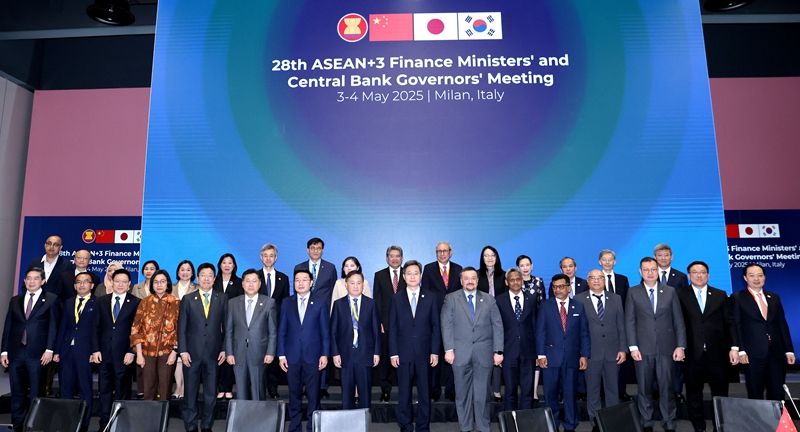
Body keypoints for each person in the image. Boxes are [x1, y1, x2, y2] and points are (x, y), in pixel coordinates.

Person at [626, 257, 686, 432]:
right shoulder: (632, 292)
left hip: (667, 348)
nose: (650, 273)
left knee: (667, 387)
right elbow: (629, 321)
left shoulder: (670, 291)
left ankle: (669, 420)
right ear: (640, 272)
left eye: (653, 269)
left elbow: (678, 321)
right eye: (646, 270)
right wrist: (633, 347)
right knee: (644, 387)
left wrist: (681, 346)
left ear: (658, 271)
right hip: (642, 349)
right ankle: (646, 420)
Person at [441, 267, 504, 432]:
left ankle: (483, 427)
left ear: (477, 280)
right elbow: (446, 325)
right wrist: (448, 349)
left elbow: (497, 325)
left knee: (482, 394)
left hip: (484, 353)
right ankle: (466, 427)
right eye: (466, 278)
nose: (470, 281)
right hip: (459, 354)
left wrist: (498, 351)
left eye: (473, 278)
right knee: (462, 395)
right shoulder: (451, 299)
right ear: (461, 281)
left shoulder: (489, 299)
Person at [677, 261, 738, 432]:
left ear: (708, 275)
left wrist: (734, 347)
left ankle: (720, 426)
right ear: (689, 275)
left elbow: (729, 323)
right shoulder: (679, 294)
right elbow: (676, 323)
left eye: (702, 272)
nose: (699, 275)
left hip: (717, 354)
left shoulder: (720, 294)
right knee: (693, 393)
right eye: (695, 272)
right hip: (691, 353)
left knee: (720, 393)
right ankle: (699, 427)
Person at [1, 267, 59, 431]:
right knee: (17, 393)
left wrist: (49, 349)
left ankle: (35, 426)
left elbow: (53, 326)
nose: (32, 281)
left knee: (36, 393)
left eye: (36, 278)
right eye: (29, 278)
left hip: (38, 354)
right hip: (16, 353)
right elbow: (8, 327)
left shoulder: (51, 299)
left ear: (43, 281)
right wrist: (4, 351)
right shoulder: (15, 300)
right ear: (24, 281)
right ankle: (18, 425)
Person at [731, 263, 795, 400]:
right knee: (755, 392)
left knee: (777, 392)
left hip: (776, 353)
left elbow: (782, 324)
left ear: (764, 277)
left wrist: (789, 350)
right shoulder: (737, 297)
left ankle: (777, 415)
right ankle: (758, 416)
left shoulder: (774, 297)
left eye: (760, 275)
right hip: (752, 354)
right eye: (752, 275)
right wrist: (741, 350)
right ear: (745, 278)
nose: (756, 279)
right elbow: (736, 325)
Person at [389, 260, 440, 432]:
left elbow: (436, 326)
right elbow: (392, 328)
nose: (412, 276)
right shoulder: (396, 298)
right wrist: (393, 353)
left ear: (421, 275)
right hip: (402, 354)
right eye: (409, 273)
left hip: (425, 354)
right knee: (404, 393)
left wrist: (435, 351)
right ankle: (405, 426)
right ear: (403, 276)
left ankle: (423, 427)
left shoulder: (431, 297)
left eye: (416, 273)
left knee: (425, 393)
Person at [536, 274, 590, 432]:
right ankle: (552, 425)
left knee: (570, 394)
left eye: (561, 286)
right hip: (550, 358)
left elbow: (584, 333)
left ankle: (570, 425)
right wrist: (541, 355)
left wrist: (584, 355)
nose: (557, 290)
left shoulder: (578, 306)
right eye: (554, 287)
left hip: (572, 358)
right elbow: (540, 332)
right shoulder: (545, 306)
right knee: (550, 395)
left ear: (569, 288)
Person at [278, 269, 330, 432]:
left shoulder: (320, 302)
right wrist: (281, 355)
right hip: (291, 356)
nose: (300, 283)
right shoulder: (287, 302)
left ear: (311, 282)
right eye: (297, 280)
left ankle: (312, 427)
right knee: (294, 394)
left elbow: (325, 332)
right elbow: (282, 330)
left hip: (313, 356)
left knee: (313, 395)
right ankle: (295, 427)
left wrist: (325, 354)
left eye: (304, 280)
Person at [178, 263, 227, 432]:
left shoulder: (222, 298)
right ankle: (190, 426)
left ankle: (207, 425)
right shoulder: (188, 299)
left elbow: (227, 326)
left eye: (210, 275)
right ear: (198, 278)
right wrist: (183, 351)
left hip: (214, 354)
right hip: (191, 354)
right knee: (190, 393)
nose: (206, 278)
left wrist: (224, 349)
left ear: (214, 279)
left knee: (211, 394)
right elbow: (182, 327)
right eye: (203, 275)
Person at [577, 269, 626, 432]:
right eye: (593, 278)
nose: (596, 281)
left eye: (600, 278)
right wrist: (582, 353)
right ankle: (595, 422)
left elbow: (621, 325)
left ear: (605, 280)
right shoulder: (579, 299)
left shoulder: (616, 298)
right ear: (588, 281)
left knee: (613, 390)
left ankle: (612, 421)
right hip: (591, 354)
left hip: (613, 352)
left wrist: (623, 349)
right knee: (592, 391)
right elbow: (577, 329)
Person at [94, 268, 140, 430]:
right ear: (112, 282)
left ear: (129, 284)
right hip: (104, 354)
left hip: (124, 355)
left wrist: (131, 351)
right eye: (117, 281)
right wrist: (95, 349)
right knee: (104, 390)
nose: (120, 284)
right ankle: (104, 424)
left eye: (124, 282)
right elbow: (95, 327)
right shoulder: (101, 301)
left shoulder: (136, 302)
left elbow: (137, 330)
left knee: (123, 391)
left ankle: (119, 425)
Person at [53, 271, 98, 430]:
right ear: (74, 285)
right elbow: (62, 327)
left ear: (92, 285)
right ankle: (67, 424)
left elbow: (97, 330)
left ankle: (83, 424)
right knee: (65, 389)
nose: (82, 284)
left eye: (86, 281)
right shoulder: (68, 302)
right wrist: (57, 351)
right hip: (66, 351)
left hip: (85, 352)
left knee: (85, 389)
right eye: (79, 282)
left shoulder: (97, 303)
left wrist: (95, 351)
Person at [225, 268, 277, 400]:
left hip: (260, 353)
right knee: (241, 391)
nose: (251, 284)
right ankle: (242, 413)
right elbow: (229, 330)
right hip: (238, 353)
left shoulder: (269, 302)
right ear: (242, 284)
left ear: (259, 284)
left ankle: (258, 413)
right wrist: (229, 352)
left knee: (257, 390)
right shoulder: (232, 303)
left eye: (254, 281)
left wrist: (270, 352)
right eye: (247, 281)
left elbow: (272, 331)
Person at [331, 271, 380, 409]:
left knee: (365, 395)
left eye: (359, 283)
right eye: (352, 283)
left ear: (363, 285)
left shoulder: (371, 303)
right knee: (347, 395)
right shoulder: (338, 304)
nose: (356, 286)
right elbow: (333, 332)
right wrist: (335, 353)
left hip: (365, 354)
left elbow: (376, 331)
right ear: (346, 285)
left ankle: (364, 420)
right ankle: (347, 420)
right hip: (345, 355)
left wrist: (377, 352)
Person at [421, 241, 461, 401]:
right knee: (434, 355)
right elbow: (425, 293)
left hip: (455, 319)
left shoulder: (458, 269)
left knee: (453, 356)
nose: (442, 254)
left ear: (450, 252)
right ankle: (434, 391)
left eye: (445, 251)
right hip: (434, 318)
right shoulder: (428, 269)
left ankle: (452, 391)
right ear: (436, 253)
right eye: (439, 251)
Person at [130, 269, 179, 401]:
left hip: (167, 352)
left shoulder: (176, 302)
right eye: (156, 282)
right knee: (148, 389)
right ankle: (148, 414)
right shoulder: (145, 302)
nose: (159, 285)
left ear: (167, 283)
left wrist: (175, 352)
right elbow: (136, 329)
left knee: (164, 389)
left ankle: (163, 414)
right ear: (152, 284)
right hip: (146, 353)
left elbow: (180, 330)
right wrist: (139, 354)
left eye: (162, 281)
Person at [496, 268, 537, 411]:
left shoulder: (531, 299)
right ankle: (510, 421)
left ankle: (525, 420)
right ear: (506, 282)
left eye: (518, 279)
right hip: (508, 351)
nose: (515, 282)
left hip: (528, 352)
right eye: (512, 280)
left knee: (528, 391)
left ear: (522, 281)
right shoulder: (499, 300)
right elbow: (497, 327)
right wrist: (498, 351)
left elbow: (535, 325)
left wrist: (538, 352)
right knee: (510, 391)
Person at [256, 243, 290, 399]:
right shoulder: (254, 276)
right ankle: (258, 389)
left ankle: (273, 389)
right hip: (257, 324)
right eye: (265, 255)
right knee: (258, 358)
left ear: (276, 258)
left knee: (274, 358)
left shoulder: (284, 278)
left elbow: (285, 302)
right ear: (261, 257)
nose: (268, 258)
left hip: (276, 323)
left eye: (271, 255)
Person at [598, 249, 633, 401]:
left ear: (615, 262)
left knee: (621, 359)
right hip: (600, 327)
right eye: (604, 260)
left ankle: (621, 390)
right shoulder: (594, 279)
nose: (607, 262)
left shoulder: (623, 279)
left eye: (610, 259)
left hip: (620, 326)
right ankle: (603, 392)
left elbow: (627, 302)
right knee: (601, 360)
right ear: (600, 262)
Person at [372, 245, 405, 402]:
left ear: (401, 258)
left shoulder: (408, 274)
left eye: (397, 256)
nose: (394, 259)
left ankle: (404, 390)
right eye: (391, 256)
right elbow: (376, 301)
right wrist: (379, 322)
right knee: (385, 359)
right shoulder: (379, 275)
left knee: (404, 358)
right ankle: (385, 390)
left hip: (405, 325)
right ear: (387, 258)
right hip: (385, 325)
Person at [476, 245, 506, 401]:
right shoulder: (476, 275)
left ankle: (496, 389)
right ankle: (484, 388)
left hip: (500, 318)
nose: (489, 258)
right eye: (486, 255)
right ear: (482, 258)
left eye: (492, 255)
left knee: (498, 352)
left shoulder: (504, 275)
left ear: (496, 257)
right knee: (483, 355)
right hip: (480, 320)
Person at [214, 253, 243, 400]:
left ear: (234, 266)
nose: (227, 265)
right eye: (224, 262)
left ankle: (228, 387)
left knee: (230, 356)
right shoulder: (214, 281)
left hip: (233, 323)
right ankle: (220, 387)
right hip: (215, 324)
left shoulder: (239, 282)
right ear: (220, 265)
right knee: (218, 356)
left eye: (230, 263)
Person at [516, 254, 545, 402]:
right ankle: (523, 391)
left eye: (527, 265)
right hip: (519, 326)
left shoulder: (538, 281)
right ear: (518, 268)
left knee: (535, 358)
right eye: (522, 265)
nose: (525, 268)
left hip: (535, 324)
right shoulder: (515, 282)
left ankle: (533, 392)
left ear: (532, 266)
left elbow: (542, 304)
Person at [173, 259, 197, 399]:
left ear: (192, 273)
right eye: (182, 269)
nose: (185, 272)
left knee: (187, 358)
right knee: (177, 359)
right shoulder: (171, 288)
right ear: (178, 272)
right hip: (173, 327)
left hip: (192, 328)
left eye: (188, 270)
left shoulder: (197, 288)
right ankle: (178, 386)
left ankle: (186, 387)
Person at [294, 237, 337, 304]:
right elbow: (296, 290)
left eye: (318, 248)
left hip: (324, 306)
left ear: (322, 250)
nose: (315, 251)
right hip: (304, 305)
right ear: (308, 250)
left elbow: (333, 290)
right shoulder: (299, 267)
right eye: (312, 248)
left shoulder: (330, 268)